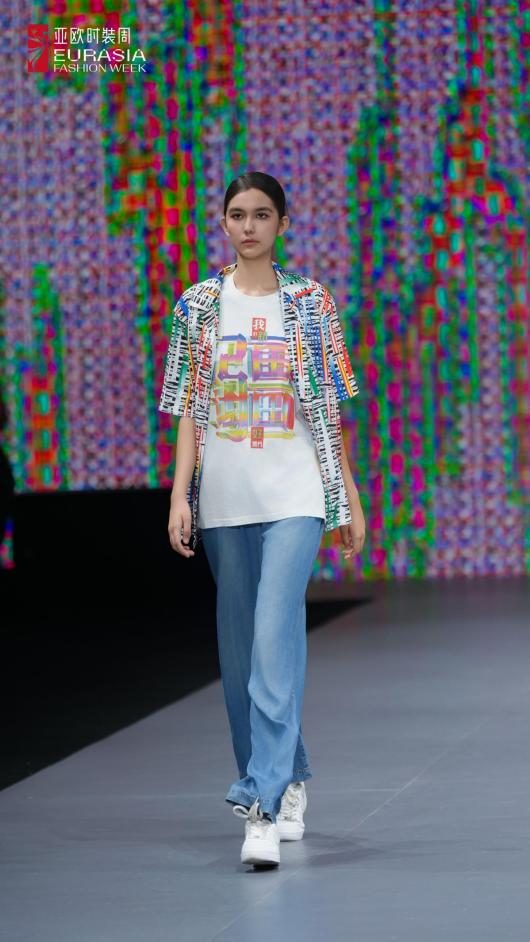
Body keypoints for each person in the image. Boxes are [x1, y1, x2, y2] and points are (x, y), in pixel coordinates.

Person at [158, 171, 366, 868]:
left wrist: (347, 495)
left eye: (262, 215)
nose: (248, 226)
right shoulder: (197, 306)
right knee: (241, 653)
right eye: (237, 214)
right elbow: (188, 408)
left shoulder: (310, 301)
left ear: (282, 224)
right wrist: (180, 495)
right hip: (225, 496)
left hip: (296, 491)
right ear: (223, 223)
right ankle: (288, 772)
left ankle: (261, 804)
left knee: (275, 639)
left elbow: (327, 404)